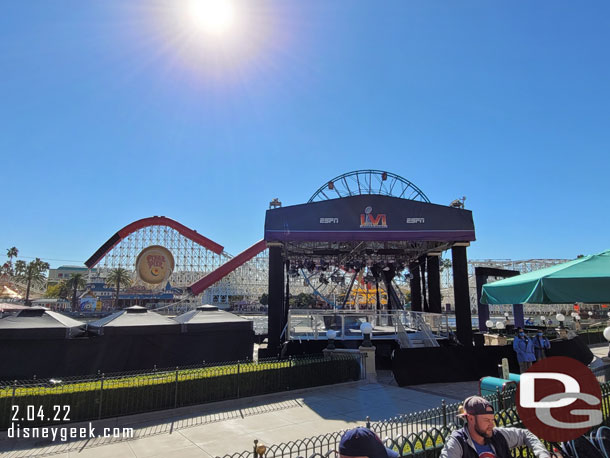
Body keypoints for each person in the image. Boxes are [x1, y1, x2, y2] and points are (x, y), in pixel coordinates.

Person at [440, 396, 551, 458]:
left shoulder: (498, 435)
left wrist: (542, 454)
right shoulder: (457, 442)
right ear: (470, 418)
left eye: (492, 420)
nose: (491, 424)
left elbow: (526, 434)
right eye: (486, 420)